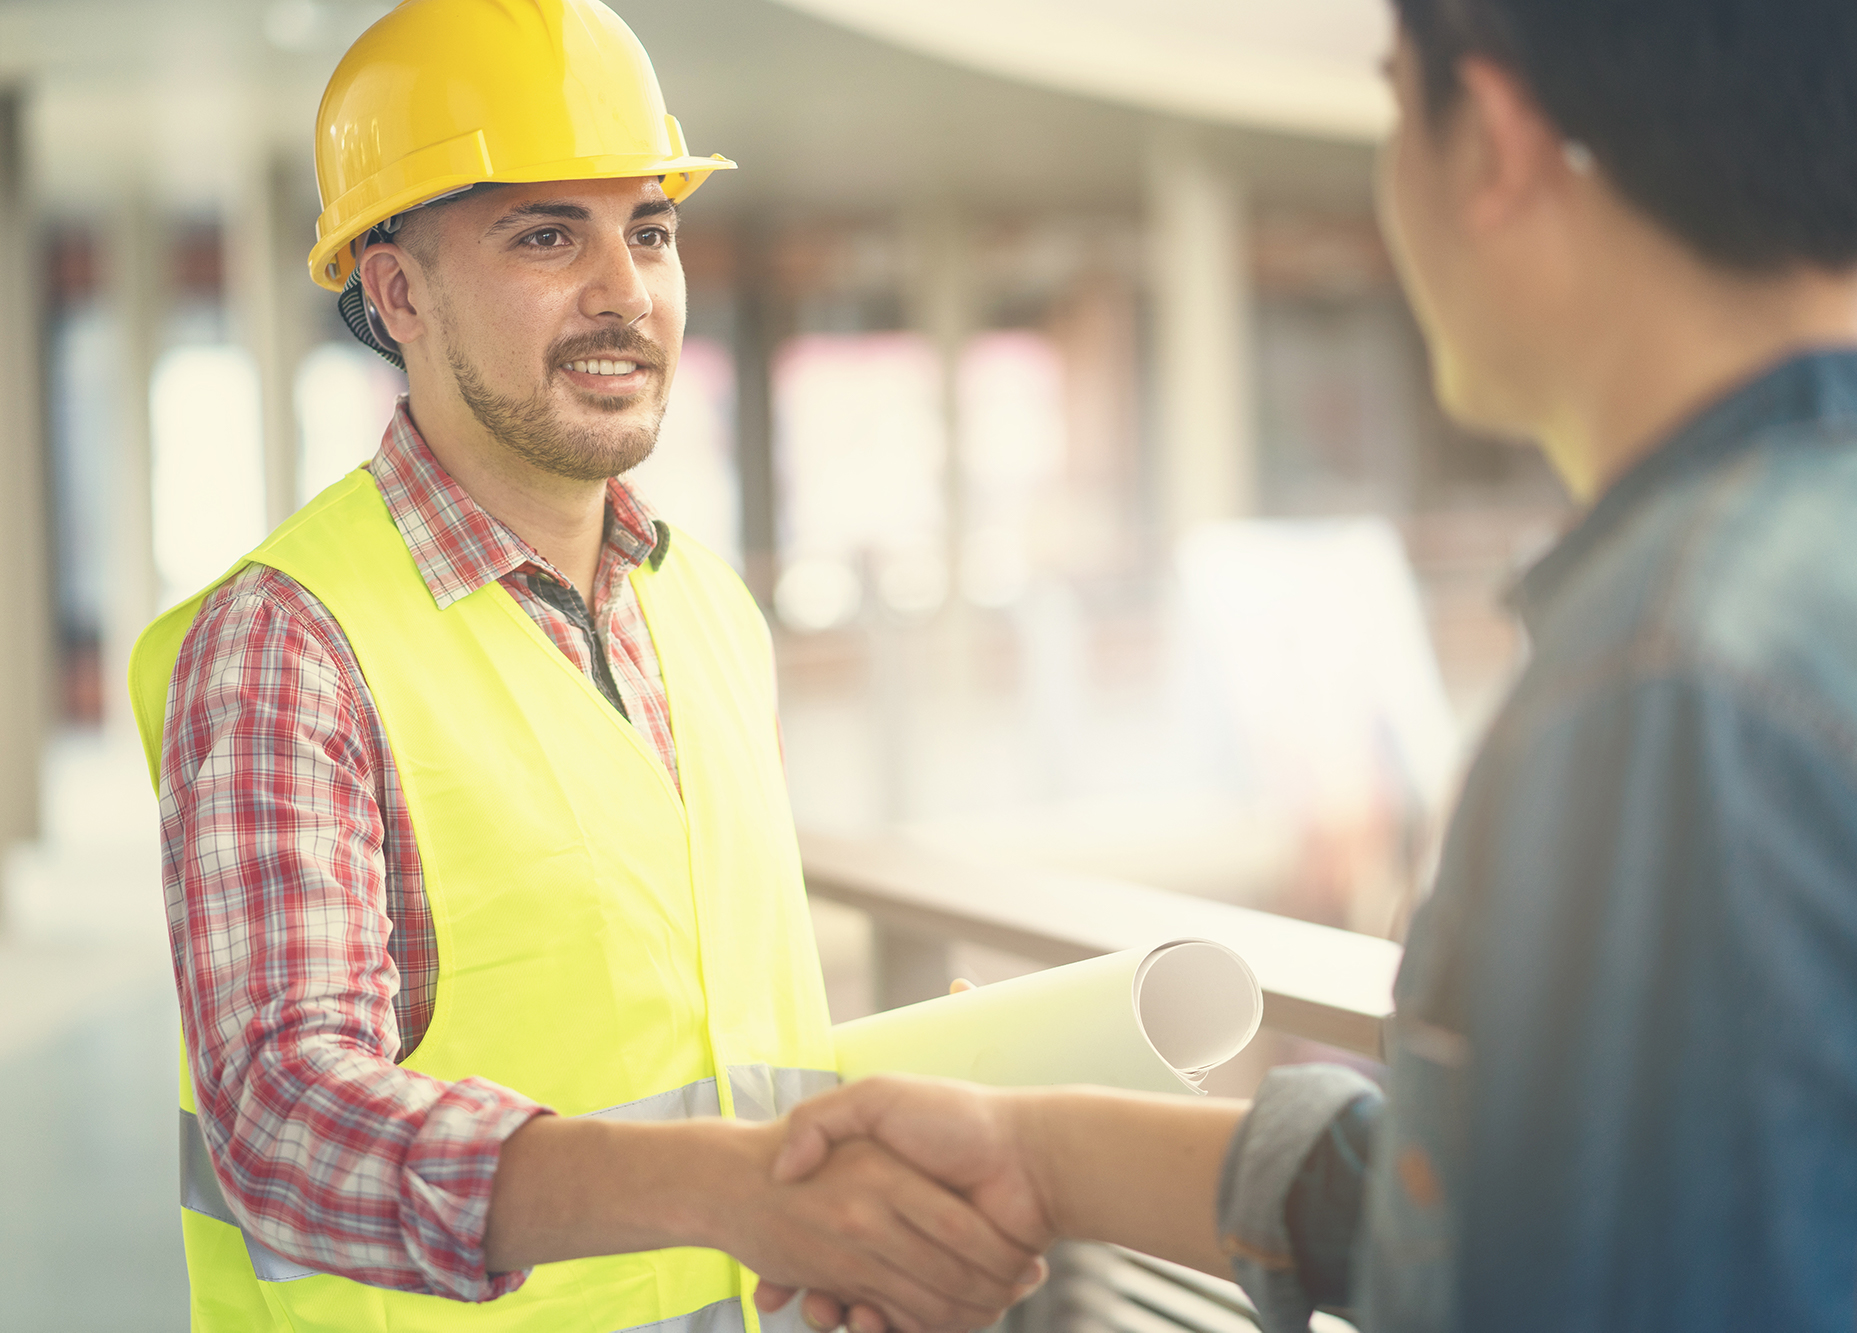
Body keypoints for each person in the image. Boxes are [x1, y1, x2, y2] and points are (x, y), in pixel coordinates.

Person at [770, 0, 1857, 1330]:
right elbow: (1537, 1196)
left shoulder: (1663, 685)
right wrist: (1036, 1153)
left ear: (1496, 142)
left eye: (1400, 107)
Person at [129, 2, 1039, 1331]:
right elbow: (282, 1117)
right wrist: (720, 1185)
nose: (626, 291)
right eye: (547, 234)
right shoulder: (289, 643)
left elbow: (704, 1032)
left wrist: (887, 1118)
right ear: (396, 290)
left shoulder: (709, 611)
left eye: (650, 232)